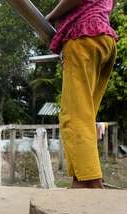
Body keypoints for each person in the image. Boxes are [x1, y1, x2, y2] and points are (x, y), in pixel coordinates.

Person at [46, 0, 118, 188]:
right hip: (105, 39)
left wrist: (52, 16)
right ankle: (80, 180)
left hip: (84, 37)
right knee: (85, 115)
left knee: (75, 116)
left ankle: (91, 183)